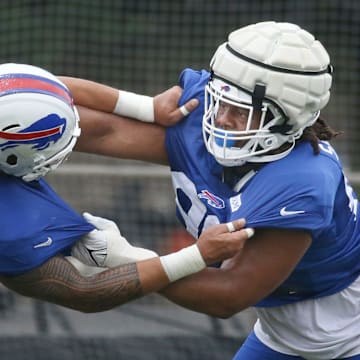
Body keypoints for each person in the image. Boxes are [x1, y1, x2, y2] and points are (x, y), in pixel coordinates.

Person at [63, 21, 360, 359]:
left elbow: (227, 295)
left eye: (241, 112)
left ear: (286, 119)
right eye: (220, 101)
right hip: (283, 333)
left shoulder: (301, 182)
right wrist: (21, 101)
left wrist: (124, 258)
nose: (221, 119)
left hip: (346, 336)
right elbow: (102, 131)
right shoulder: (206, 112)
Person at [0, 62, 253, 314]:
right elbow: (82, 292)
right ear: (11, 157)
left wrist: (146, 107)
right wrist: (196, 256)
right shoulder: (10, 230)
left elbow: (38, 88)